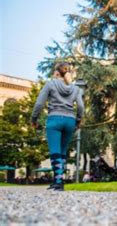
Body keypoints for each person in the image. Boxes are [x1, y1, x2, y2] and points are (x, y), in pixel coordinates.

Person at [31, 62, 84, 191]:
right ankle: (57, 180)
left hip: (54, 120)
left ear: (56, 73)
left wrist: (34, 119)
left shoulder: (50, 84)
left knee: (55, 151)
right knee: (62, 151)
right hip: (70, 121)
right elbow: (81, 107)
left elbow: (39, 104)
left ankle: (59, 182)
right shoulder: (76, 88)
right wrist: (78, 120)